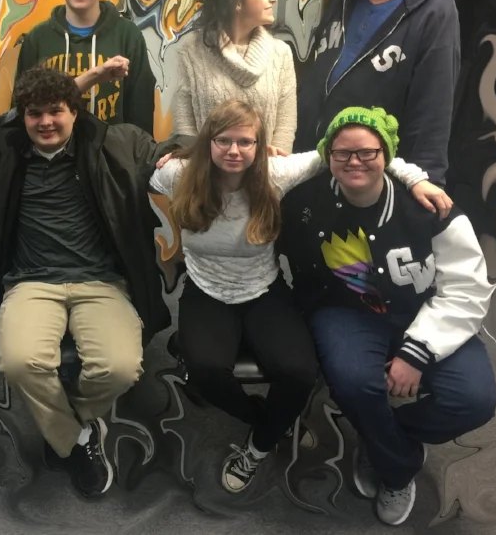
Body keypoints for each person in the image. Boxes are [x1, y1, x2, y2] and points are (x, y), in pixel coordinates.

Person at [150, 100, 447, 494]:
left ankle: (257, 446)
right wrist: (168, 149)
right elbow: (137, 158)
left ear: (260, 145)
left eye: (245, 142)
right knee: (205, 371)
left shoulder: (276, 173)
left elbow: (352, 153)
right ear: (209, 142)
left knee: (299, 373)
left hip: (263, 289)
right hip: (205, 290)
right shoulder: (178, 175)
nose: (234, 150)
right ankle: (271, 425)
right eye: (223, 140)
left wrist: (416, 180)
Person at [0, 66, 187, 498]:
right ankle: (78, 438)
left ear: (75, 111)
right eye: (35, 114)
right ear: (22, 117)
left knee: (120, 367)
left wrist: (187, 149)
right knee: (18, 361)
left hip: (100, 281)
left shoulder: (114, 143)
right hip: (31, 283)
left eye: (56, 111)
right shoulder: (5, 151)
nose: (46, 122)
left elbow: (169, 148)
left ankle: (63, 429)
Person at [281, 106, 496, 526]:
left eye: (368, 152)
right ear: (327, 156)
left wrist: (417, 352)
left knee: (474, 400)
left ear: (387, 155)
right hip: (345, 311)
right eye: (342, 153)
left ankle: (381, 437)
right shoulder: (305, 201)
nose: (354, 162)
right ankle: (397, 466)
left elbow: (467, 288)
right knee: (354, 382)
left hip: (427, 311)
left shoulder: (431, 208)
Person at [295, 0, 460, 184]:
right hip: (315, 162)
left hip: (374, 175)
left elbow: (434, 106)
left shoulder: (435, 9)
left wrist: (424, 178)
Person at [14, 0, 157, 133]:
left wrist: (137, 150)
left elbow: (141, 109)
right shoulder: (37, 39)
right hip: (51, 150)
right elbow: (21, 108)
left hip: (112, 149)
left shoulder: (128, 35)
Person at [173, 0, 297, 153]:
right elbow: (185, 125)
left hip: (264, 168)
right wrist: (195, 164)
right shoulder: (192, 51)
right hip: (205, 168)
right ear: (237, 2)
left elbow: (285, 125)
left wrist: (275, 165)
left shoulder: (280, 54)